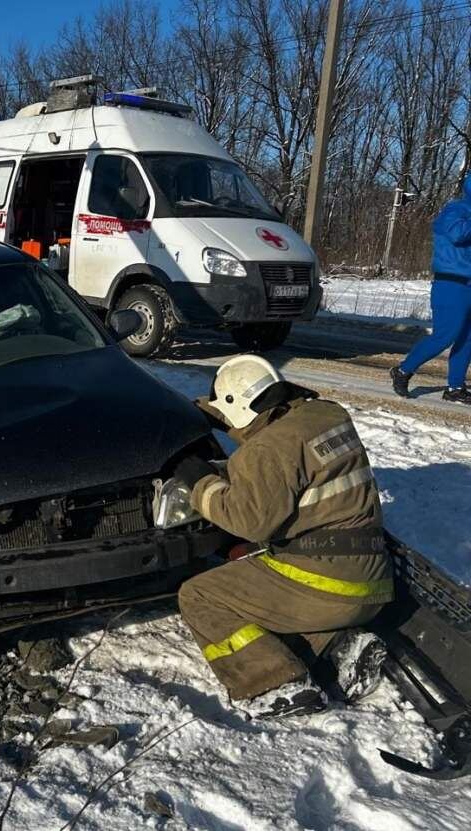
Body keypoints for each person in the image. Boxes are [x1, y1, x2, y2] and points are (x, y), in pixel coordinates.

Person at [175, 355, 392, 719]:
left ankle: (277, 685)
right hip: (371, 579)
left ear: (239, 408)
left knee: (199, 596)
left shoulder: (266, 450)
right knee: (270, 591)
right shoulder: (327, 414)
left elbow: (247, 521)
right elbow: (290, 468)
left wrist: (200, 482)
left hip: (326, 584)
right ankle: (341, 647)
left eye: (227, 419)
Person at [391, 176, 471, 404]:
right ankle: (403, 370)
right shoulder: (455, 209)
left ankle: (455, 388)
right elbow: (458, 234)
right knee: (445, 335)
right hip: (451, 283)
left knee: (467, 340)